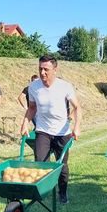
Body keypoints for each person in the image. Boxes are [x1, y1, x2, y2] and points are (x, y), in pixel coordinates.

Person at [20, 55, 82, 204]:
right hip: (43, 131)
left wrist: (77, 127)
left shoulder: (65, 86)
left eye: (46, 69)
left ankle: (63, 192)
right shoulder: (34, 87)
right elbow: (32, 108)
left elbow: (77, 107)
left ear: (55, 69)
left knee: (62, 166)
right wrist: (25, 123)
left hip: (62, 132)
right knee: (41, 163)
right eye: (40, 69)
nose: (42, 73)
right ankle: (44, 191)